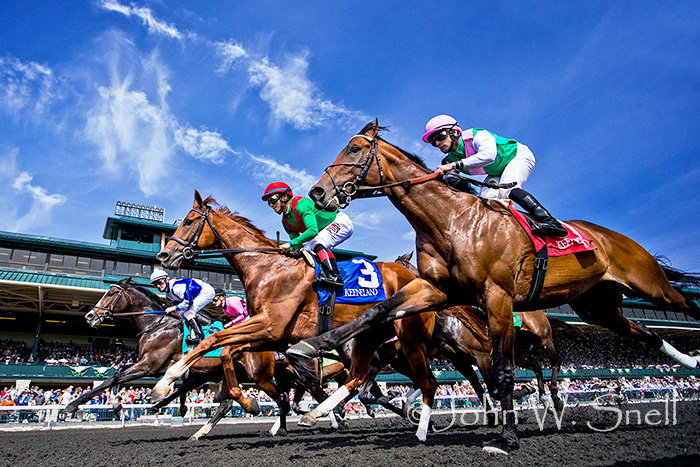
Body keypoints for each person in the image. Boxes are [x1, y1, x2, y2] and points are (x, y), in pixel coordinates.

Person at [423, 115, 567, 237]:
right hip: (496, 172)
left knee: (507, 189)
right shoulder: (450, 159)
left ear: (455, 132)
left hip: (517, 156)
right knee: (486, 203)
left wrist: (453, 166)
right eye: (433, 142)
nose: (437, 143)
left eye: (440, 136)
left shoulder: (477, 135)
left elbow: (488, 156)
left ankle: (550, 221)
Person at [262, 182, 354, 288]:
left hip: (339, 222)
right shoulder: (285, 221)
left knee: (317, 242)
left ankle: (334, 276)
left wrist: (289, 244)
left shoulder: (300, 203)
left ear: (284, 196)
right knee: (305, 252)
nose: (271, 205)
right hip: (322, 231)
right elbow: (298, 246)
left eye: (273, 200)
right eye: (269, 202)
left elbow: (312, 231)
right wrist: (291, 252)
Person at [150, 268, 216, 345]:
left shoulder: (176, 288)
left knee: (188, 312)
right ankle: (190, 334)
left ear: (167, 279)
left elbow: (187, 302)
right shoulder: (168, 295)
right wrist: (173, 311)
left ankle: (200, 337)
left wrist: (173, 308)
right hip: (195, 295)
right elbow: (179, 309)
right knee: (181, 315)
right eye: (155, 285)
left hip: (205, 291)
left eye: (160, 282)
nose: (158, 286)